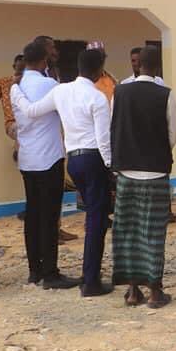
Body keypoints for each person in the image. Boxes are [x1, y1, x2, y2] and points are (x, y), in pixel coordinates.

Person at [12, 49, 114, 297]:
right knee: (96, 221)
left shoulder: (60, 90)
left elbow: (32, 110)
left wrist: (14, 91)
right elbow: (103, 140)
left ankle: (87, 276)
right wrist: (112, 170)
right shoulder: (98, 98)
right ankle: (90, 281)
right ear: (100, 70)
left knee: (91, 215)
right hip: (94, 160)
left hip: (74, 161)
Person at [110, 46, 176, 308]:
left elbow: (113, 128)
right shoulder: (166, 94)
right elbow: (172, 136)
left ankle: (132, 290)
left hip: (126, 172)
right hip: (156, 172)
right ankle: (155, 291)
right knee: (153, 232)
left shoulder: (119, 92)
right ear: (158, 67)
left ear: (138, 65)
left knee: (128, 230)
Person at [10, 41, 79, 289]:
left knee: (33, 215)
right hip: (49, 158)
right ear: (43, 61)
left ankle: (34, 270)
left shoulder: (16, 87)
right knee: (49, 217)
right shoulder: (50, 85)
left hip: (28, 159)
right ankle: (50, 273)